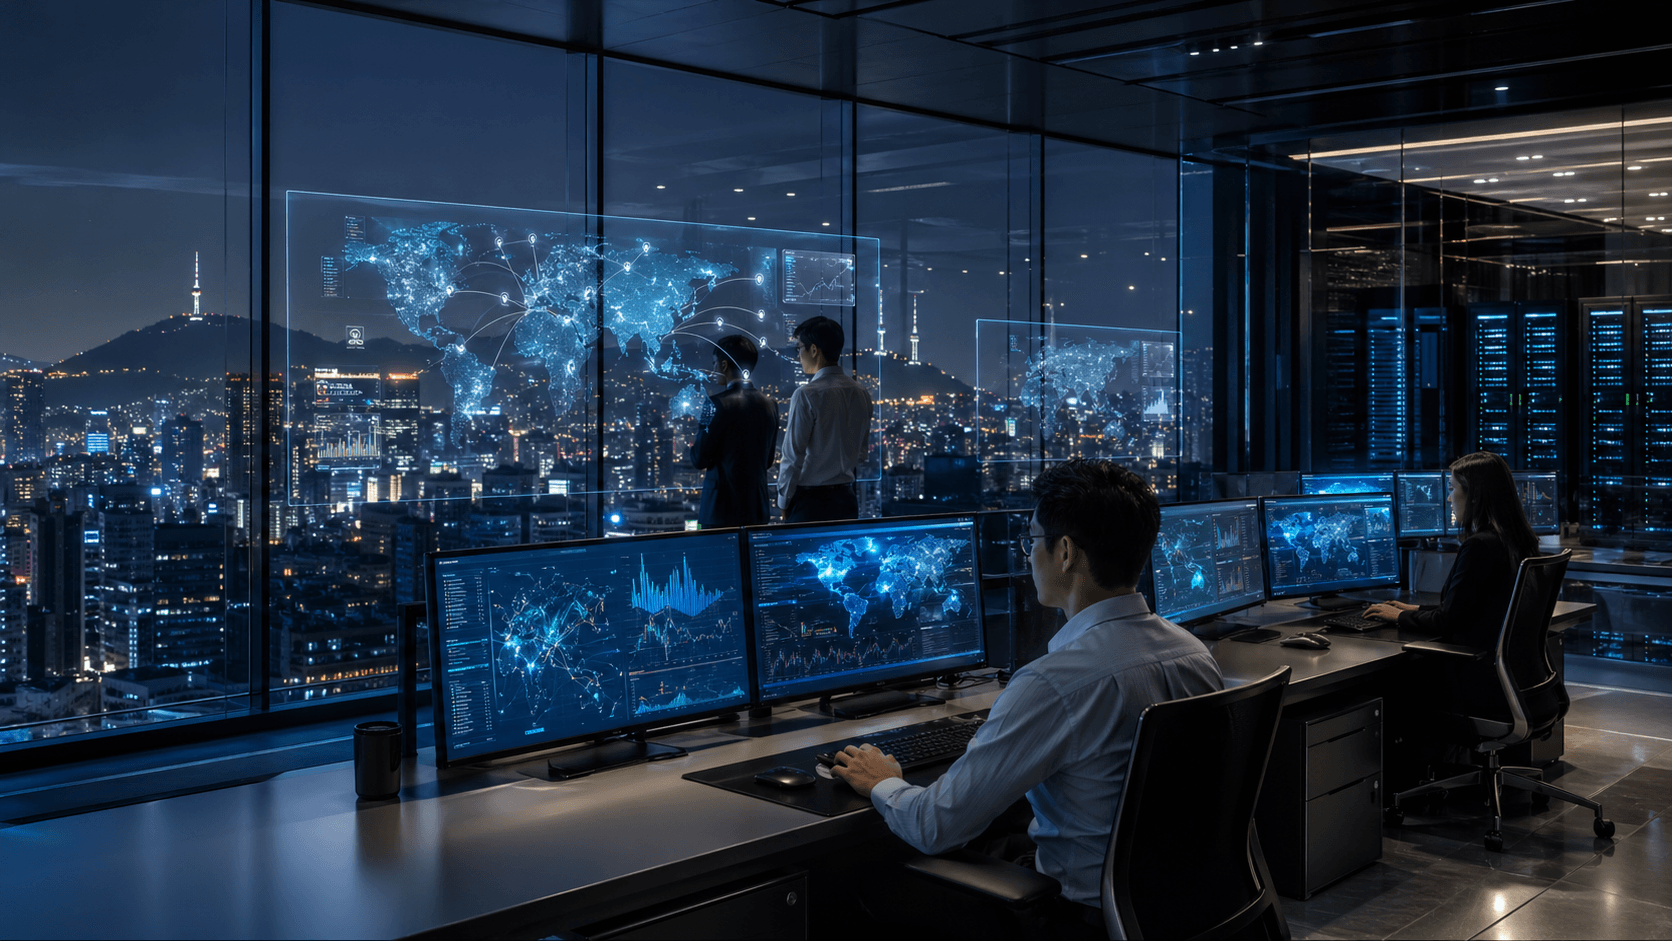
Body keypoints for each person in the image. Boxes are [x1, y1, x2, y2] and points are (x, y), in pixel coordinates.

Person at [831, 459, 1223, 932]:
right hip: (1174, 906)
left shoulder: (1054, 684)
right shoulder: (1194, 656)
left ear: (1064, 553)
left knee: (859, 880)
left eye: (1031, 541)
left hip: (1081, 916)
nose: (1026, 555)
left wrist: (882, 781)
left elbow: (934, 827)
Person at [1363, 450, 1541, 717]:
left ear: (1474, 495)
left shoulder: (1480, 546)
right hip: (1517, 679)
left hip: (1476, 682)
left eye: (1452, 488)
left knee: (1388, 684)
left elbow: (1449, 621)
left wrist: (1399, 617)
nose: (1448, 498)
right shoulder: (1516, 541)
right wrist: (1414, 610)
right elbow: (1471, 606)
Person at [777, 315, 872, 522]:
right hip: (847, 500)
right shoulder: (862, 392)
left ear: (813, 350)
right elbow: (862, 454)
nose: (798, 356)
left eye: (799, 348)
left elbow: (792, 457)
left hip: (811, 503)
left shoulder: (807, 394)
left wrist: (783, 503)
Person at [689, 334, 780, 528]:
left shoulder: (714, 404)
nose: (713, 369)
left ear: (724, 365)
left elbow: (699, 459)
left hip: (720, 511)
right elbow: (768, 460)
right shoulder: (770, 404)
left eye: (714, 363)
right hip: (757, 508)